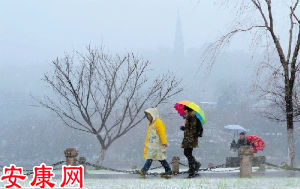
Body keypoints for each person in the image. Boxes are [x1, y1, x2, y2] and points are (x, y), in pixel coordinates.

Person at [136, 107, 172, 178]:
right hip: (153, 144)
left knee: (151, 157)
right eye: (147, 115)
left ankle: (144, 170)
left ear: (153, 114)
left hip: (157, 144)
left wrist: (164, 141)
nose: (148, 116)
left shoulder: (158, 122)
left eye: (149, 115)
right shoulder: (152, 123)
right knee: (159, 157)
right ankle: (168, 170)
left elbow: (161, 132)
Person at [180, 106, 203, 178]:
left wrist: (190, 137)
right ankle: (194, 166)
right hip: (189, 137)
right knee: (188, 153)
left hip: (190, 138)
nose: (184, 111)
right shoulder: (189, 116)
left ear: (187, 110)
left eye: (185, 110)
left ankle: (193, 169)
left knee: (187, 153)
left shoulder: (192, 116)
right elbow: (190, 128)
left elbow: (193, 129)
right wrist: (184, 128)